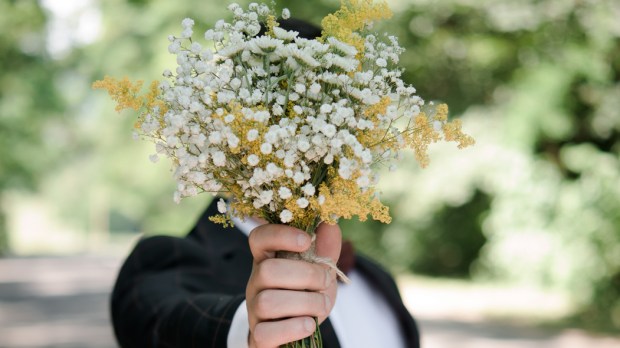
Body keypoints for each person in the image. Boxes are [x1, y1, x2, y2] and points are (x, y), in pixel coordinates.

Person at [110, 19, 420, 348]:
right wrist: (249, 331)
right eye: (291, 119)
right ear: (235, 129)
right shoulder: (163, 263)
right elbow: (167, 324)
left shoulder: (375, 279)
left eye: (345, 125)